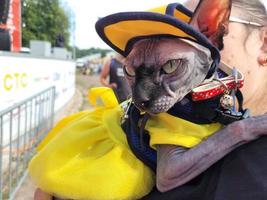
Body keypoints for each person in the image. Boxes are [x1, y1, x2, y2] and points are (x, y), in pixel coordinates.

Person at [31, 0, 267, 199]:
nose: (141, 98)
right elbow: (168, 176)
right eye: (131, 71)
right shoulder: (182, 109)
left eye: (212, 30)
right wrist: (241, 131)